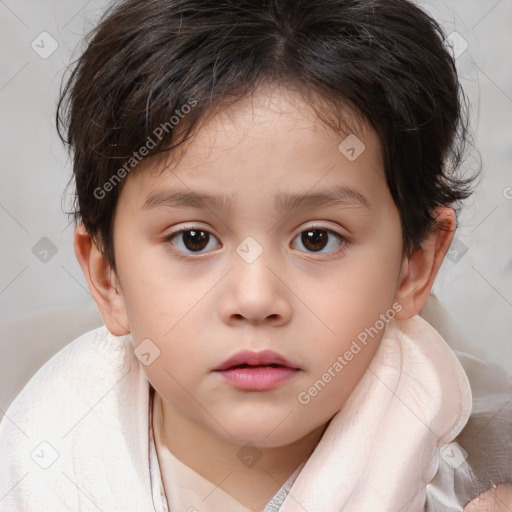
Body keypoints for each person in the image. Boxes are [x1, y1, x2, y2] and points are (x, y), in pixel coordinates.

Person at [0, 0, 510, 510]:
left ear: (415, 266)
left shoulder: (474, 487)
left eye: (317, 239)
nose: (255, 298)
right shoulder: (35, 468)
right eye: (193, 239)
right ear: (108, 277)